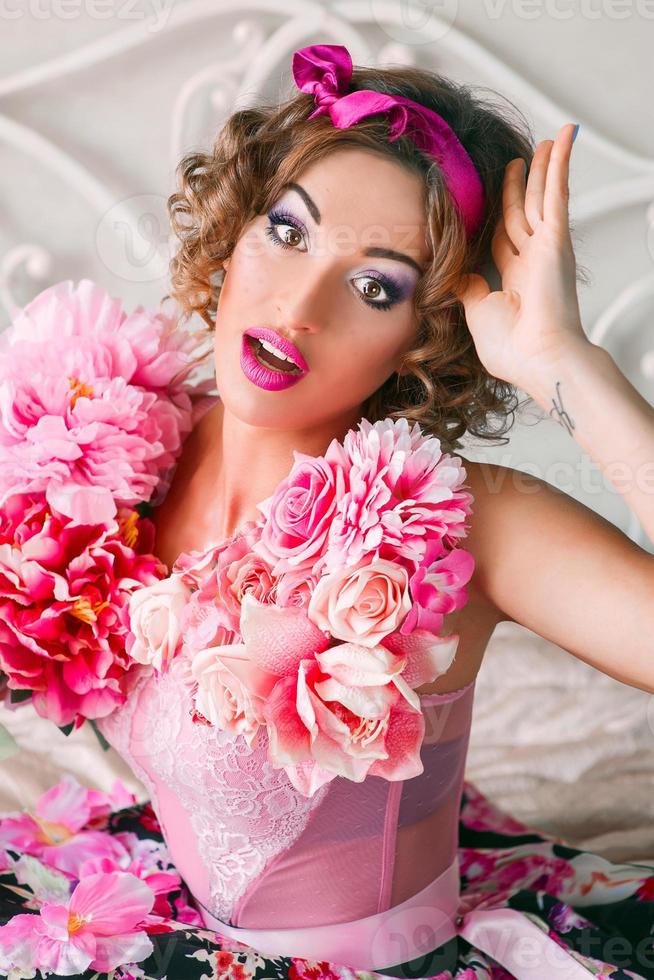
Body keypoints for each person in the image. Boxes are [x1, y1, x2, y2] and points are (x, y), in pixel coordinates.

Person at [0, 42, 653, 980]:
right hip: (158, 916)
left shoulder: (460, 521)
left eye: (374, 285)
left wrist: (567, 365)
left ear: (425, 337)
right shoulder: (119, 436)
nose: (298, 305)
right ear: (235, 226)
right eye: (290, 231)